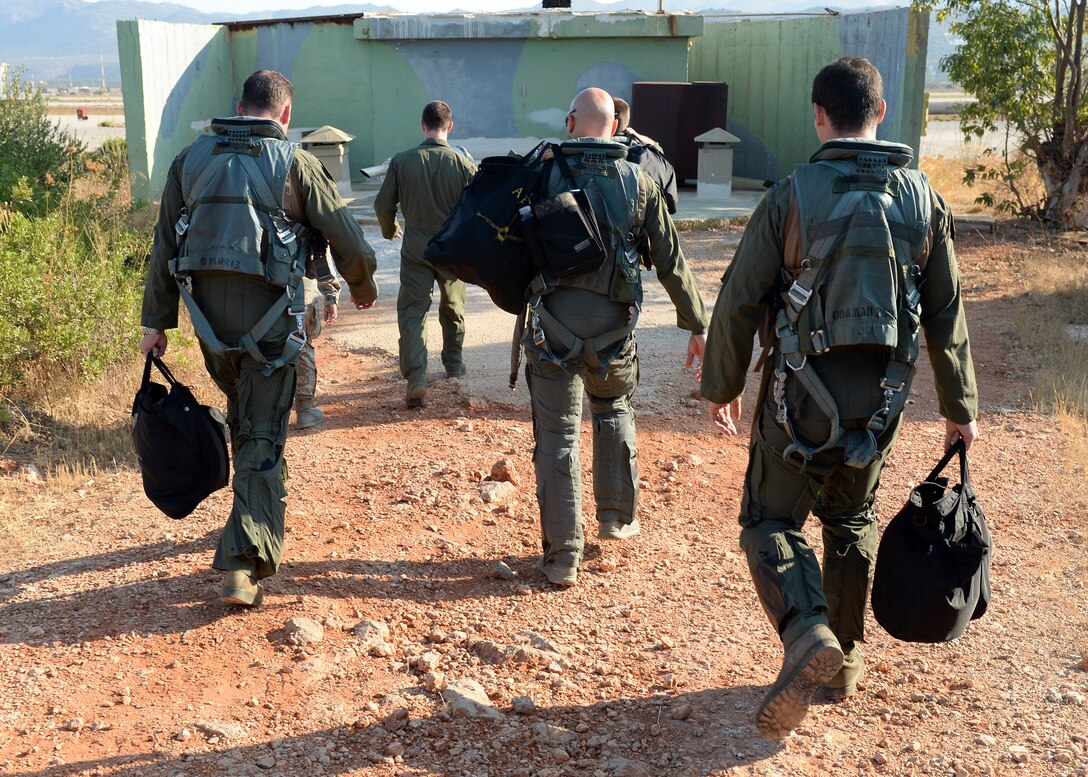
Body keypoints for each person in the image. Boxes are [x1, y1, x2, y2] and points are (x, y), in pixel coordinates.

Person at [700, 57, 979, 738]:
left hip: (799, 398)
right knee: (850, 517)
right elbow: (947, 310)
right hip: (881, 404)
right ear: (882, 113)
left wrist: (722, 384)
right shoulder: (924, 199)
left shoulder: (791, 194)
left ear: (818, 116)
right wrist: (959, 407)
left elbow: (739, 298)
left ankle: (806, 634)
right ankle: (845, 664)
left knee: (768, 520)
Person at [139, 70, 379, 607]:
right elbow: (351, 242)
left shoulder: (189, 161)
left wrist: (156, 324)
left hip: (207, 324)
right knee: (263, 435)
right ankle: (243, 563)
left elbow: (162, 247)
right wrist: (362, 288)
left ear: (238, 107)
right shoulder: (296, 164)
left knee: (246, 418)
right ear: (285, 115)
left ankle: (253, 512)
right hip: (270, 323)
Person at [524, 88, 709, 587]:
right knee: (614, 412)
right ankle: (615, 518)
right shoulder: (641, 182)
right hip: (614, 334)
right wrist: (697, 324)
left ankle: (563, 558)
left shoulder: (541, 174)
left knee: (559, 436)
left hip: (553, 333)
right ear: (616, 128)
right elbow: (671, 260)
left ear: (571, 124)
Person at [374, 100, 478, 408]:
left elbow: (383, 205)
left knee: (412, 311)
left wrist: (390, 229)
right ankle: (455, 367)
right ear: (450, 127)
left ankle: (416, 378)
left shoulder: (402, 161)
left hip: (416, 247)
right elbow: (478, 209)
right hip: (452, 248)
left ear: (423, 126)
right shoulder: (463, 165)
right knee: (453, 307)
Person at [293, 234, 341, 429]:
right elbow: (320, 253)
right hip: (301, 294)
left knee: (264, 350)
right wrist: (331, 296)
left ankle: (264, 412)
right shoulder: (304, 205)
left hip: (262, 294)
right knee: (301, 348)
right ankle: (304, 411)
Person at [612, 96, 678, 214]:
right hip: (648, 224)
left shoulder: (598, 147)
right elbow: (656, 146)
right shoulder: (652, 154)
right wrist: (635, 134)